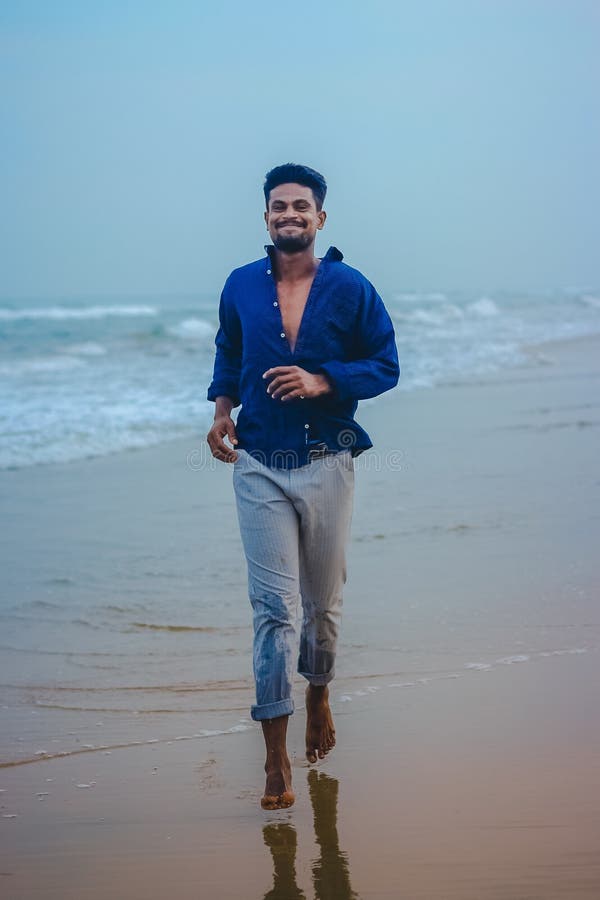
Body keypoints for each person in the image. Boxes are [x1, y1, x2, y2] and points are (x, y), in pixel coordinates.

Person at [207, 163, 399, 809]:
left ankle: (318, 693)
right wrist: (220, 411)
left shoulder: (349, 286)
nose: (289, 214)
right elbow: (227, 352)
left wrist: (324, 381)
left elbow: (384, 365)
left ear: (320, 218)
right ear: (266, 216)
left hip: (327, 458)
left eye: (301, 206)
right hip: (259, 460)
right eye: (278, 205)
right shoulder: (239, 285)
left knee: (323, 605)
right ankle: (273, 761)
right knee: (273, 611)